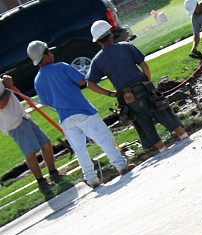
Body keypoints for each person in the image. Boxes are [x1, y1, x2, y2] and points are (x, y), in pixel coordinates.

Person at [29, 41, 132, 188]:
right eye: (49, 52)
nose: (51, 54)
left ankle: (91, 179)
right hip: (83, 111)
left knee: (80, 150)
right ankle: (121, 165)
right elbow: (82, 81)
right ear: (44, 56)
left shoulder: (37, 80)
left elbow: (46, 102)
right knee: (103, 138)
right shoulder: (62, 67)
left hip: (65, 119)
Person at [86, 20, 188, 154]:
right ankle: (184, 137)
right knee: (163, 113)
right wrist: (148, 82)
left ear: (98, 41)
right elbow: (144, 65)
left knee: (143, 123)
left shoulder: (97, 60)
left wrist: (111, 94)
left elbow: (90, 84)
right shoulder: (125, 46)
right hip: (142, 88)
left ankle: (163, 150)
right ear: (111, 35)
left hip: (126, 97)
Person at [0, 74, 60, 190]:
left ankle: (54, 173)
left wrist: (7, 83)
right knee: (30, 152)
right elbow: (1, 104)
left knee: (46, 143)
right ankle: (42, 182)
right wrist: (8, 86)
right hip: (14, 124)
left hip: (23, 117)